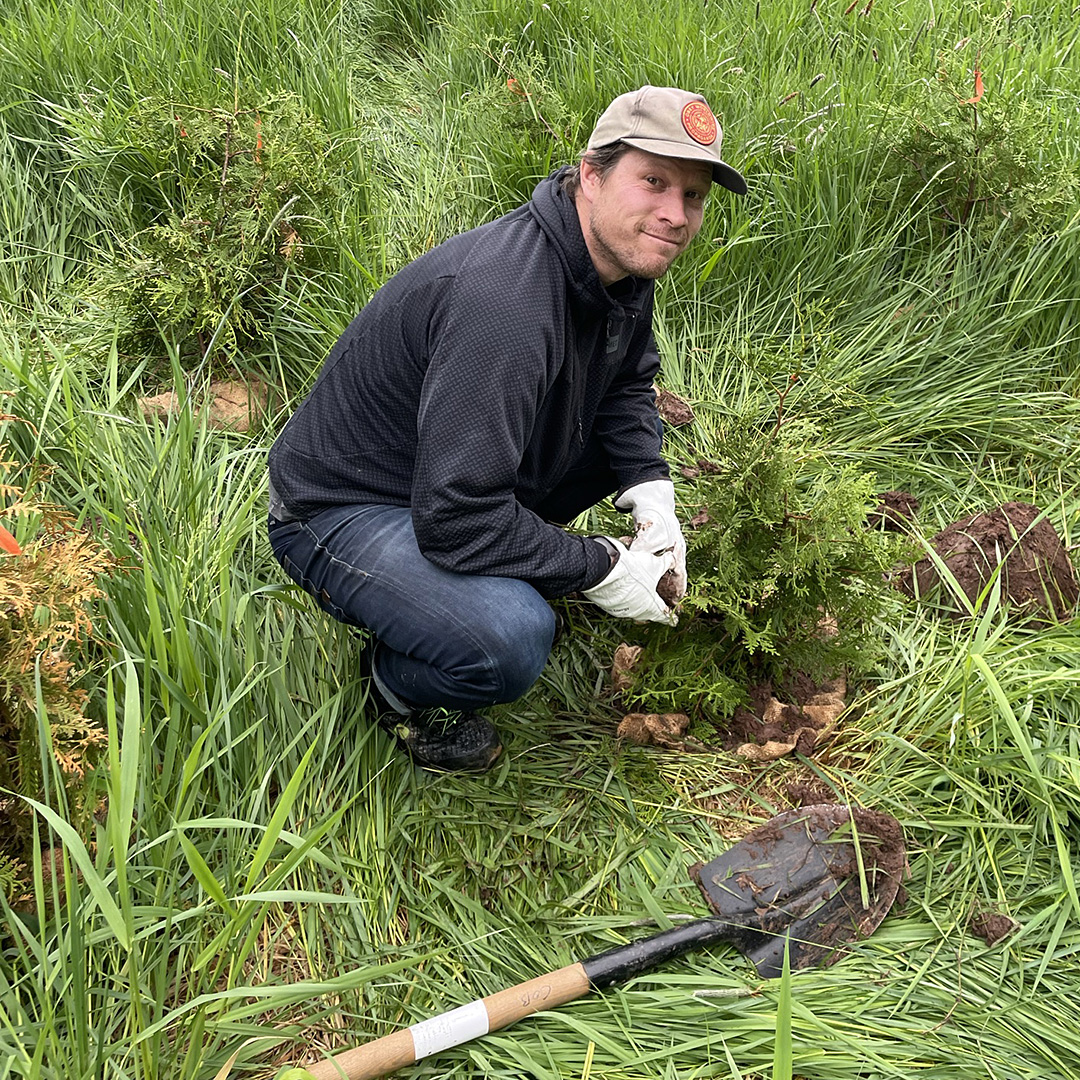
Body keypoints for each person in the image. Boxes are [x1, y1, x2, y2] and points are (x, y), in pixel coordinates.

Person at [267, 85, 747, 772]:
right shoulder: (507, 303)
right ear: (591, 173)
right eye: (653, 182)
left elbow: (628, 381)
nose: (674, 214)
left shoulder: (619, 264)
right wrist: (600, 566)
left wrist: (650, 488)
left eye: (693, 196)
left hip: (444, 478)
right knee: (512, 636)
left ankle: (487, 572)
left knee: (616, 456)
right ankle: (393, 687)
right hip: (342, 508)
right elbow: (455, 517)